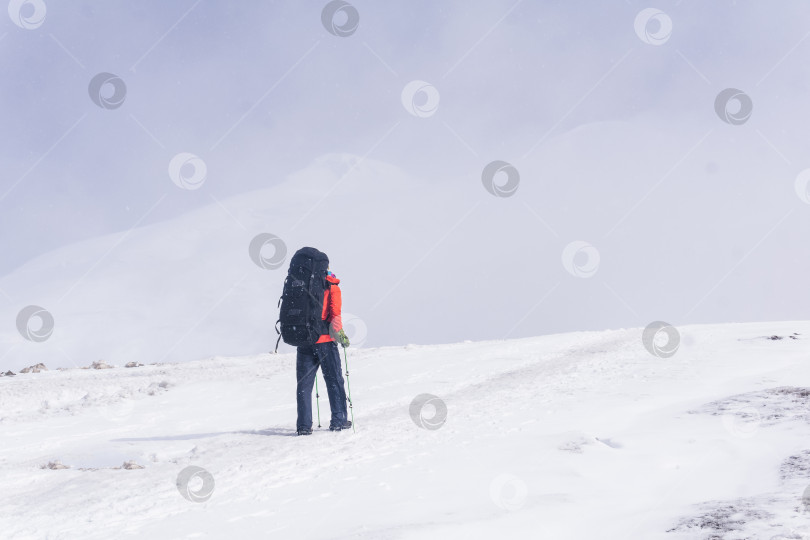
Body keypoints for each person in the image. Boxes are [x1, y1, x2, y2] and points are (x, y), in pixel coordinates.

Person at [296, 268, 351, 435]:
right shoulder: (331, 285)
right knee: (334, 380)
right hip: (325, 341)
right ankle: (338, 420)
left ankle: (304, 426)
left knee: (304, 385)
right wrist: (340, 334)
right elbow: (335, 313)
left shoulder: (301, 284)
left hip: (305, 341)